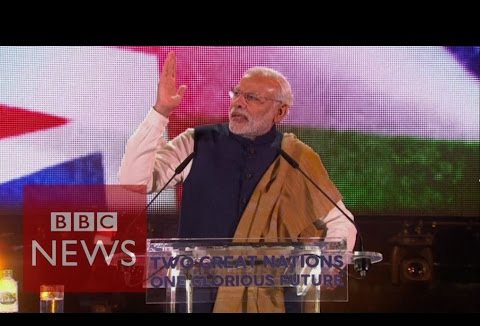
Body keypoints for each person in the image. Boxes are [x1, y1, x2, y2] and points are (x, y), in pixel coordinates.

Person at [119, 51, 357, 312]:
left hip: (275, 298)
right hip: (199, 298)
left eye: (252, 97)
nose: (239, 103)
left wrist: (325, 265)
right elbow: (133, 181)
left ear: (280, 111)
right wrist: (161, 111)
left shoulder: (296, 158)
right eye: (236, 94)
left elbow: (341, 224)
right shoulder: (196, 142)